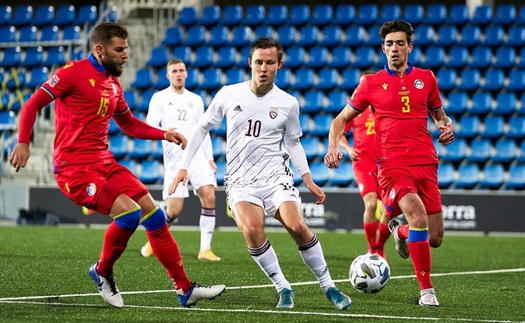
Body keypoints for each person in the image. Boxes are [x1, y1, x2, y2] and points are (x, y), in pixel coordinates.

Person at [9, 22, 225, 308]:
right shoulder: (71, 73)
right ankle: (102, 271)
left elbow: (128, 124)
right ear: (100, 50)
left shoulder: (112, 83)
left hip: (105, 163)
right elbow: (32, 104)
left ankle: (185, 289)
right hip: (74, 168)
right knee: (129, 214)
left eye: (126, 48)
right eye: (119, 49)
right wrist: (23, 142)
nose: (125, 55)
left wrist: (163, 133)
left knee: (155, 215)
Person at [169, 36, 351, 310]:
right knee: (253, 230)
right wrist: (184, 165)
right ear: (249, 63)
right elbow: (202, 127)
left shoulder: (288, 103)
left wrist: (308, 179)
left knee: (298, 226)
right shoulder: (229, 93)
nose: (263, 68)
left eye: (269, 62)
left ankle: (329, 287)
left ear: (279, 65)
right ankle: (283, 288)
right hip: (241, 182)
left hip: (276, 178)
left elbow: (293, 143)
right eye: (258, 62)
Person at [324, 20, 454, 307]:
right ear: (382, 49)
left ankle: (399, 230)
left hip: (426, 163)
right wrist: (334, 146)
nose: (394, 48)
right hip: (393, 165)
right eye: (389, 44)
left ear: (410, 46)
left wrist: (446, 126)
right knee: (417, 216)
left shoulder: (427, 79)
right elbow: (340, 120)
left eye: (399, 43)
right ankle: (427, 291)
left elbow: (439, 115)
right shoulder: (370, 84)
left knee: (434, 237)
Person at [140, 58, 221, 262]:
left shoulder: (195, 99)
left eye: (181, 70)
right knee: (174, 211)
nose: (178, 73)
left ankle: (205, 249)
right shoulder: (159, 98)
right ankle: (153, 239)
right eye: (174, 70)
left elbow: (203, 131)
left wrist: (209, 158)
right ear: (168, 75)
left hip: (197, 157)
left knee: (209, 195)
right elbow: (150, 125)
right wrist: (163, 132)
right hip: (175, 159)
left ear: (186, 74)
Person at [338, 70, 391, 259]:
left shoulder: (384, 106)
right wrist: (347, 148)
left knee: (387, 210)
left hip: (385, 164)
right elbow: (340, 132)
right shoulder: (354, 109)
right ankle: (372, 248)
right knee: (370, 205)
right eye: (361, 84)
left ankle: (380, 246)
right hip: (363, 162)